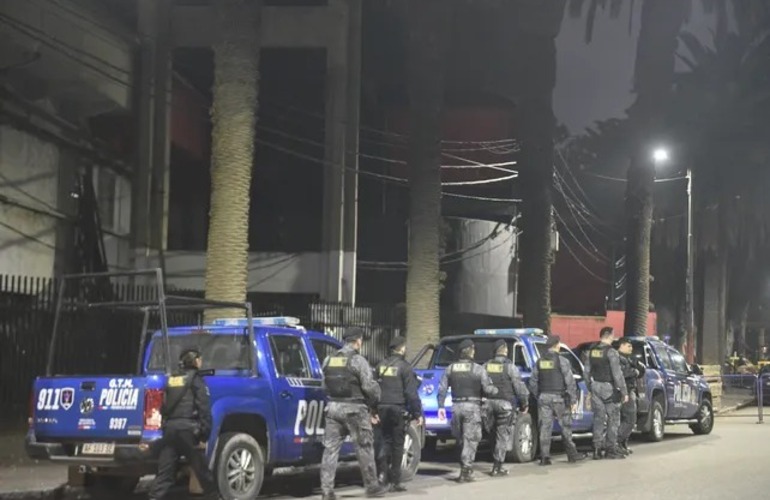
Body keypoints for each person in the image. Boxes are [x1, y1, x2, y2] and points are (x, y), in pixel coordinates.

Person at [320, 328, 388, 500]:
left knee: (330, 451)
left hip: (333, 409)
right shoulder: (358, 361)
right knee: (364, 448)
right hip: (355, 410)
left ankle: (327, 491)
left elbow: (324, 386)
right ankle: (372, 486)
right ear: (358, 341)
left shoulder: (329, 359)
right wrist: (376, 400)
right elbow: (369, 387)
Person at [148, 349, 218, 500]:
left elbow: (163, 407)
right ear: (196, 361)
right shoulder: (197, 381)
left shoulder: (172, 379)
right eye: (200, 359)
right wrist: (204, 436)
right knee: (203, 473)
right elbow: (204, 410)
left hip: (171, 431)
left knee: (165, 474)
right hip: (188, 432)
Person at [437, 339, 498, 483]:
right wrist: (496, 390)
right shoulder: (478, 369)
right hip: (472, 407)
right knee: (470, 439)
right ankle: (466, 471)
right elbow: (488, 389)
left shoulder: (450, 368)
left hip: (456, 407)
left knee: (461, 439)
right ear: (471, 351)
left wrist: (440, 406)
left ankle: (465, 467)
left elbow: (442, 389)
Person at [528, 335, 585, 466]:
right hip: (559, 398)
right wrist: (573, 400)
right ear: (557, 345)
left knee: (545, 428)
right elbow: (570, 382)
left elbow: (532, 382)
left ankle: (544, 457)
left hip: (544, 398)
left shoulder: (540, 361)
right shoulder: (562, 361)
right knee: (566, 427)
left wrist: (539, 395)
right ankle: (572, 454)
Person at [374, 336, 422, 491]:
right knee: (397, 444)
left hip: (381, 408)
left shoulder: (380, 366)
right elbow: (411, 393)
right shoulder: (405, 367)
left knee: (383, 442)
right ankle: (395, 480)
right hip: (397, 409)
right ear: (401, 348)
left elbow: (374, 389)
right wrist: (417, 413)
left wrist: (373, 409)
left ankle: (381, 476)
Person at [482, 339, 529, 476]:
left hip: (488, 404)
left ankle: (492, 458)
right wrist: (524, 404)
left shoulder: (485, 366)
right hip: (505, 405)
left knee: (492, 433)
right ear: (505, 350)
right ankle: (497, 467)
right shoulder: (510, 367)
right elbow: (519, 387)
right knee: (502, 435)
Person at [585, 327, 628, 460]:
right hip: (608, 388)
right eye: (613, 335)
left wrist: (590, 388)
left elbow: (586, 372)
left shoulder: (591, 351)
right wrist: (624, 391)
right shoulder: (611, 352)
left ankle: (597, 449)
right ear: (609, 336)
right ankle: (610, 449)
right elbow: (617, 374)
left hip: (595, 386)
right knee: (613, 418)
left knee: (599, 418)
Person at [617, 338, 645, 455]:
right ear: (621, 346)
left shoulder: (628, 359)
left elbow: (641, 370)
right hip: (625, 392)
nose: (631, 348)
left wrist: (638, 369)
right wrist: (634, 372)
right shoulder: (617, 359)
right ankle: (617, 442)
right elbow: (621, 374)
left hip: (630, 390)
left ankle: (623, 444)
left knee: (627, 419)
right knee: (630, 419)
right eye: (628, 346)